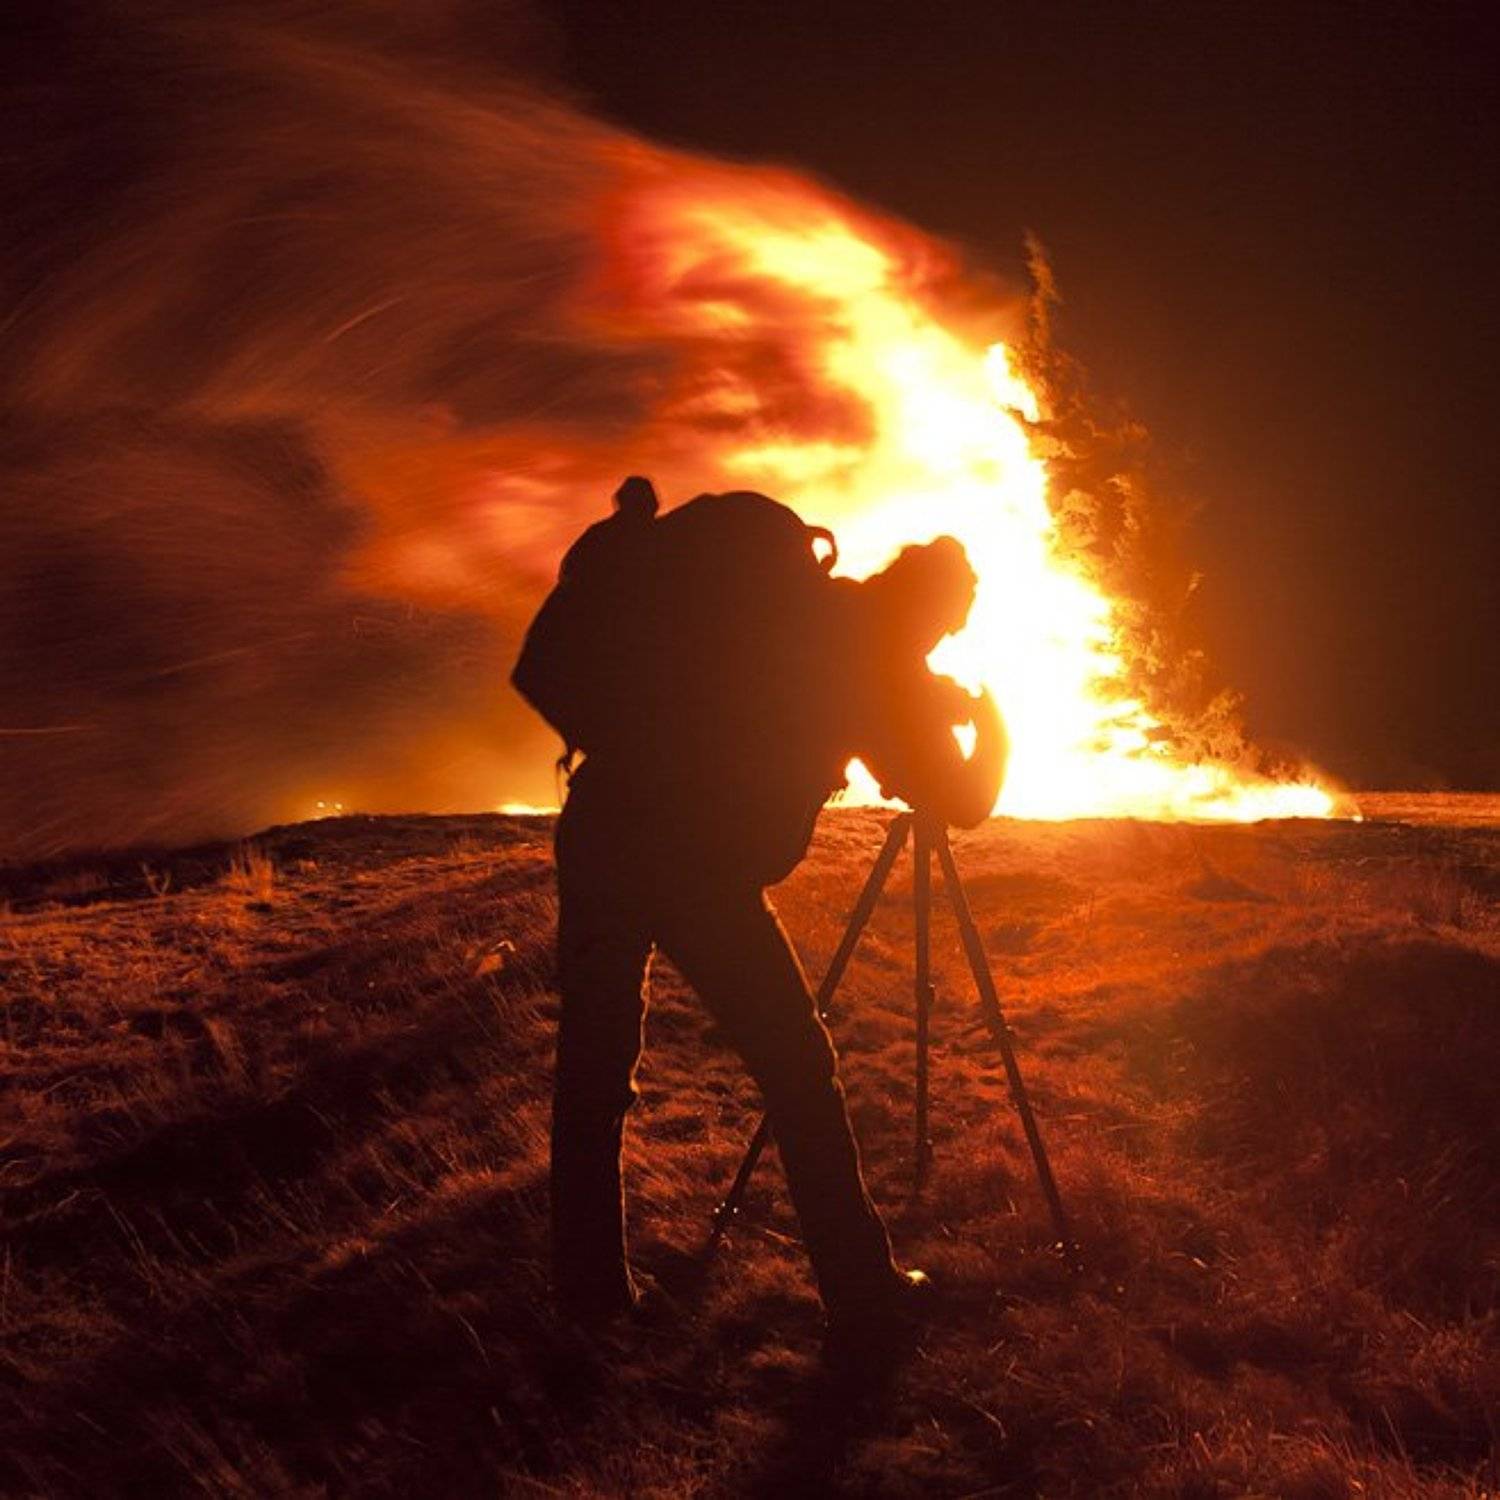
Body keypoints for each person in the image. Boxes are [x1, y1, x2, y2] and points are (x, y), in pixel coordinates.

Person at [537, 483, 1004, 1354]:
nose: (945, 642)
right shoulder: (880, 660)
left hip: (606, 825)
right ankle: (862, 1291)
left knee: (594, 1069)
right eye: (950, 624)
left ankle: (589, 1295)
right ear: (932, 607)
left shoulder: (813, 612)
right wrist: (994, 730)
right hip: (696, 867)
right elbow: (959, 798)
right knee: (798, 1066)